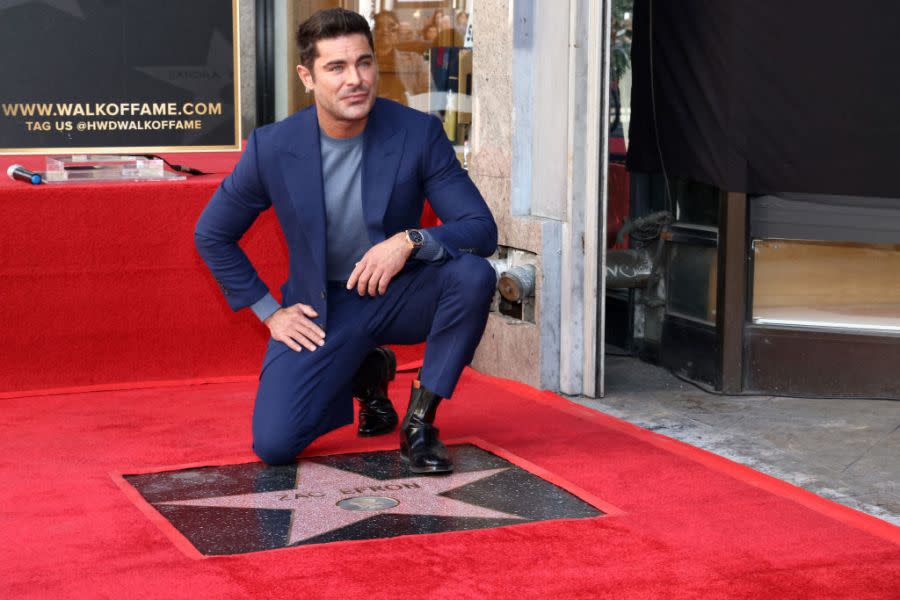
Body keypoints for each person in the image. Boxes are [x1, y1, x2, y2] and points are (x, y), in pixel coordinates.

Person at [194, 8, 497, 474]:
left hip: (401, 293)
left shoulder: (417, 134)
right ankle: (368, 372)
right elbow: (212, 233)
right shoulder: (273, 147)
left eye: (364, 62)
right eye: (336, 67)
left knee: (472, 274)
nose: (355, 79)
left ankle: (419, 422)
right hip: (324, 308)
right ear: (307, 77)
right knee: (274, 444)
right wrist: (269, 312)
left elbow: (480, 228)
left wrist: (409, 240)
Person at [372, 10, 431, 105]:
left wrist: (410, 102)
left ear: (397, 34)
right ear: (373, 32)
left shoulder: (414, 60)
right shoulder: (363, 62)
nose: (385, 31)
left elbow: (430, 91)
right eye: (380, 26)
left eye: (391, 27)